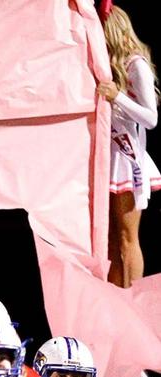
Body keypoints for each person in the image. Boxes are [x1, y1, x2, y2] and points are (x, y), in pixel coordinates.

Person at [100, 5, 160, 288]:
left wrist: (117, 97)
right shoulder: (107, 65)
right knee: (110, 239)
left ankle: (133, 303)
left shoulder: (135, 64)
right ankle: (115, 303)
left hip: (126, 157)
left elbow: (151, 119)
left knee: (127, 238)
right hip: (106, 155)